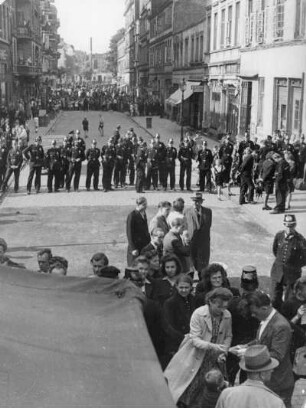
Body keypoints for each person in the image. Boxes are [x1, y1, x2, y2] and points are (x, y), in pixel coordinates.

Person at [164, 287, 233, 407]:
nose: (222, 310)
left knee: (211, 389)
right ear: (210, 301)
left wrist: (224, 352)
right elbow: (195, 340)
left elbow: (228, 336)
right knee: (188, 389)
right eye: (219, 306)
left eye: (225, 307)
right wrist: (216, 347)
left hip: (215, 358)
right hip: (195, 355)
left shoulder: (227, 315)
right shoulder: (199, 313)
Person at [246, 290, 294, 407]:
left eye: (254, 312)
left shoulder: (281, 326)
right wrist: (247, 347)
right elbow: (262, 340)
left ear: (264, 308)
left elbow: (277, 355)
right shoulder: (265, 319)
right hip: (268, 381)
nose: (253, 315)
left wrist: (248, 355)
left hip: (278, 382)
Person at [216, 345, 285, 408]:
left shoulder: (227, 395)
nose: (272, 370)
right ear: (262, 374)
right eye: (269, 369)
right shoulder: (276, 403)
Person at [226, 266, 260, 385]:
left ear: (241, 285)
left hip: (234, 345)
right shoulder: (260, 304)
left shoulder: (232, 303)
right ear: (256, 285)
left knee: (229, 377)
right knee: (247, 380)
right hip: (252, 345)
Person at [270, 214, 306, 310]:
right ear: (284, 224)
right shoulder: (279, 236)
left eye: (292, 226)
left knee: (289, 300)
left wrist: (294, 266)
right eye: (287, 225)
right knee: (274, 297)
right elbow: (275, 250)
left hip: (292, 274)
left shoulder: (300, 240)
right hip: (277, 272)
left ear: (295, 225)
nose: (289, 229)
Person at [162, 274, 196, 367]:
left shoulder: (193, 300)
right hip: (176, 342)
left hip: (191, 340)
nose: (184, 290)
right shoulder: (170, 303)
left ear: (190, 287)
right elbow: (168, 325)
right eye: (181, 287)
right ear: (176, 286)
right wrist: (183, 337)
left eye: (186, 287)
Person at [184, 192, 212, 272]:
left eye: (198, 201)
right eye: (194, 201)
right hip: (191, 243)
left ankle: (202, 281)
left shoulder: (208, 211)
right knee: (191, 265)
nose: (196, 203)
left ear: (202, 202)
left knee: (203, 266)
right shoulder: (186, 211)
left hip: (203, 243)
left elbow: (208, 227)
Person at [126, 197, 151, 266]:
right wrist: (133, 248)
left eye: (146, 204)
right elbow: (129, 233)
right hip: (136, 245)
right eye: (144, 205)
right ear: (138, 205)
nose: (146, 206)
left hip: (143, 245)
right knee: (134, 264)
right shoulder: (132, 215)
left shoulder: (143, 213)